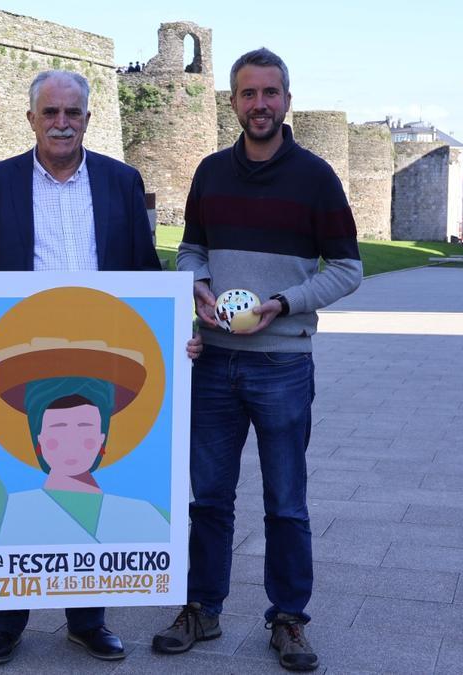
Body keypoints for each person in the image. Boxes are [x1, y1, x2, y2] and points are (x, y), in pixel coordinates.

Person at [0, 69, 198, 666]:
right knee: (20, 471)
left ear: (87, 119)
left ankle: (87, 620)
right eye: (49, 113)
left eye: (71, 113)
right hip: (27, 352)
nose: (60, 123)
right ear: (30, 119)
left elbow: (142, 273)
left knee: (89, 481)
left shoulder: (121, 182)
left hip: (100, 353)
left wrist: (175, 333)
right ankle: (5, 622)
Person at [150, 47, 362, 673]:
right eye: (248, 94)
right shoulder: (211, 172)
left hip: (282, 362)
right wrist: (195, 283)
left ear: (286, 100)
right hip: (213, 360)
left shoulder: (317, 176)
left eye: (271, 93)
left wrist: (284, 302)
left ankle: (289, 619)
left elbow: (348, 269)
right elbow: (190, 249)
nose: (259, 104)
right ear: (233, 102)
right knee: (208, 497)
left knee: (286, 500)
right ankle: (201, 607)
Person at [0, 340, 170, 546]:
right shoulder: (8, 513)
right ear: (40, 440)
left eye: (84, 426)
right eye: (59, 427)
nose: (71, 442)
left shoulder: (150, 516)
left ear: (102, 439)